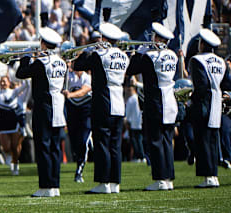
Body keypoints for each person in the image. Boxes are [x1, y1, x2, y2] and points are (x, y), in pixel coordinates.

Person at [73, 23, 128, 194]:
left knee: (102, 142)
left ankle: (103, 182)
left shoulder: (99, 55)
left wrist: (85, 51)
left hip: (103, 101)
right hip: (119, 101)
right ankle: (115, 183)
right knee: (115, 144)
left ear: (103, 38)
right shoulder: (124, 56)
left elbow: (78, 65)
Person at [15, 27, 67, 197]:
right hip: (59, 105)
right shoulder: (61, 61)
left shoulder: (41, 62)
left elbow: (20, 74)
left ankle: (45, 186)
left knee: (43, 146)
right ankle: (55, 185)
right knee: (54, 147)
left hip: (45, 106)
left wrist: (25, 58)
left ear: (43, 44)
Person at [126, 22, 177, 191]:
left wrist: (139, 53)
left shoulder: (150, 57)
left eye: (155, 36)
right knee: (167, 141)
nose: (152, 38)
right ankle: (168, 178)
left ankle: (160, 178)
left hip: (156, 103)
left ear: (160, 39)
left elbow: (131, 69)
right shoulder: (173, 55)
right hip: (170, 102)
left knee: (155, 141)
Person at [188, 28, 231, 188]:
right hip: (217, 101)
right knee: (213, 139)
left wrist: (190, 99)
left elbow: (201, 86)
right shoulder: (221, 61)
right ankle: (214, 174)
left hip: (204, 103)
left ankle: (208, 177)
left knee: (203, 140)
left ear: (202, 44)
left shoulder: (197, 60)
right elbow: (227, 84)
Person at [63, 69, 92, 183]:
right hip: (72, 112)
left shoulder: (86, 77)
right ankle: (79, 160)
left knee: (83, 141)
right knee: (74, 143)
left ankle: (79, 169)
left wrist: (70, 94)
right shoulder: (68, 76)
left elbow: (85, 90)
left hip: (86, 113)